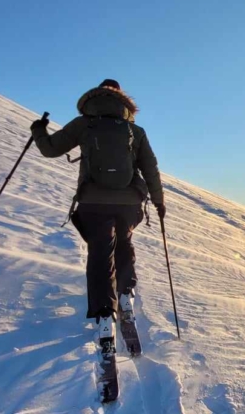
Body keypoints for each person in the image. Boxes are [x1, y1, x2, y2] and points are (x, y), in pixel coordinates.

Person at [29, 79, 164, 355]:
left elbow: (50, 149)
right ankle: (125, 295)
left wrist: (38, 129)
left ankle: (105, 316)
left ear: (96, 97)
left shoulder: (84, 123)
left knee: (101, 253)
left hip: (92, 200)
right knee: (124, 243)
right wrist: (159, 203)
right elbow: (150, 169)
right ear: (123, 101)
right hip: (128, 202)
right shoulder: (134, 130)